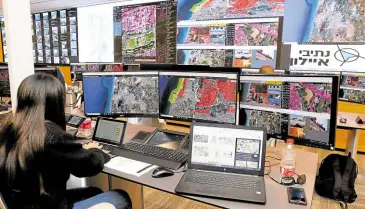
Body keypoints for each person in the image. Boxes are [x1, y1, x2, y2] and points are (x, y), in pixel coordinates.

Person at [0, 73, 131, 209]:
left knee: (94, 192)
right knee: (121, 197)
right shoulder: (51, 135)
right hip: (49, 205)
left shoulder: (8, 129)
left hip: (24, 203)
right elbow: (89, 166)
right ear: (54, 103)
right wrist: (97, 150)